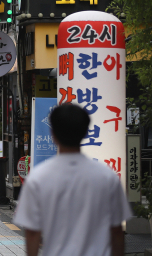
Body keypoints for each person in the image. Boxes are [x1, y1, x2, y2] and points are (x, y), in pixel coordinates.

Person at [13, 103, 132, 256]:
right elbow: (116, 231)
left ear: (52, 134)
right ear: (85, 132)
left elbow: (32, 232)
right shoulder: (106, 177)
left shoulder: (38, 178)